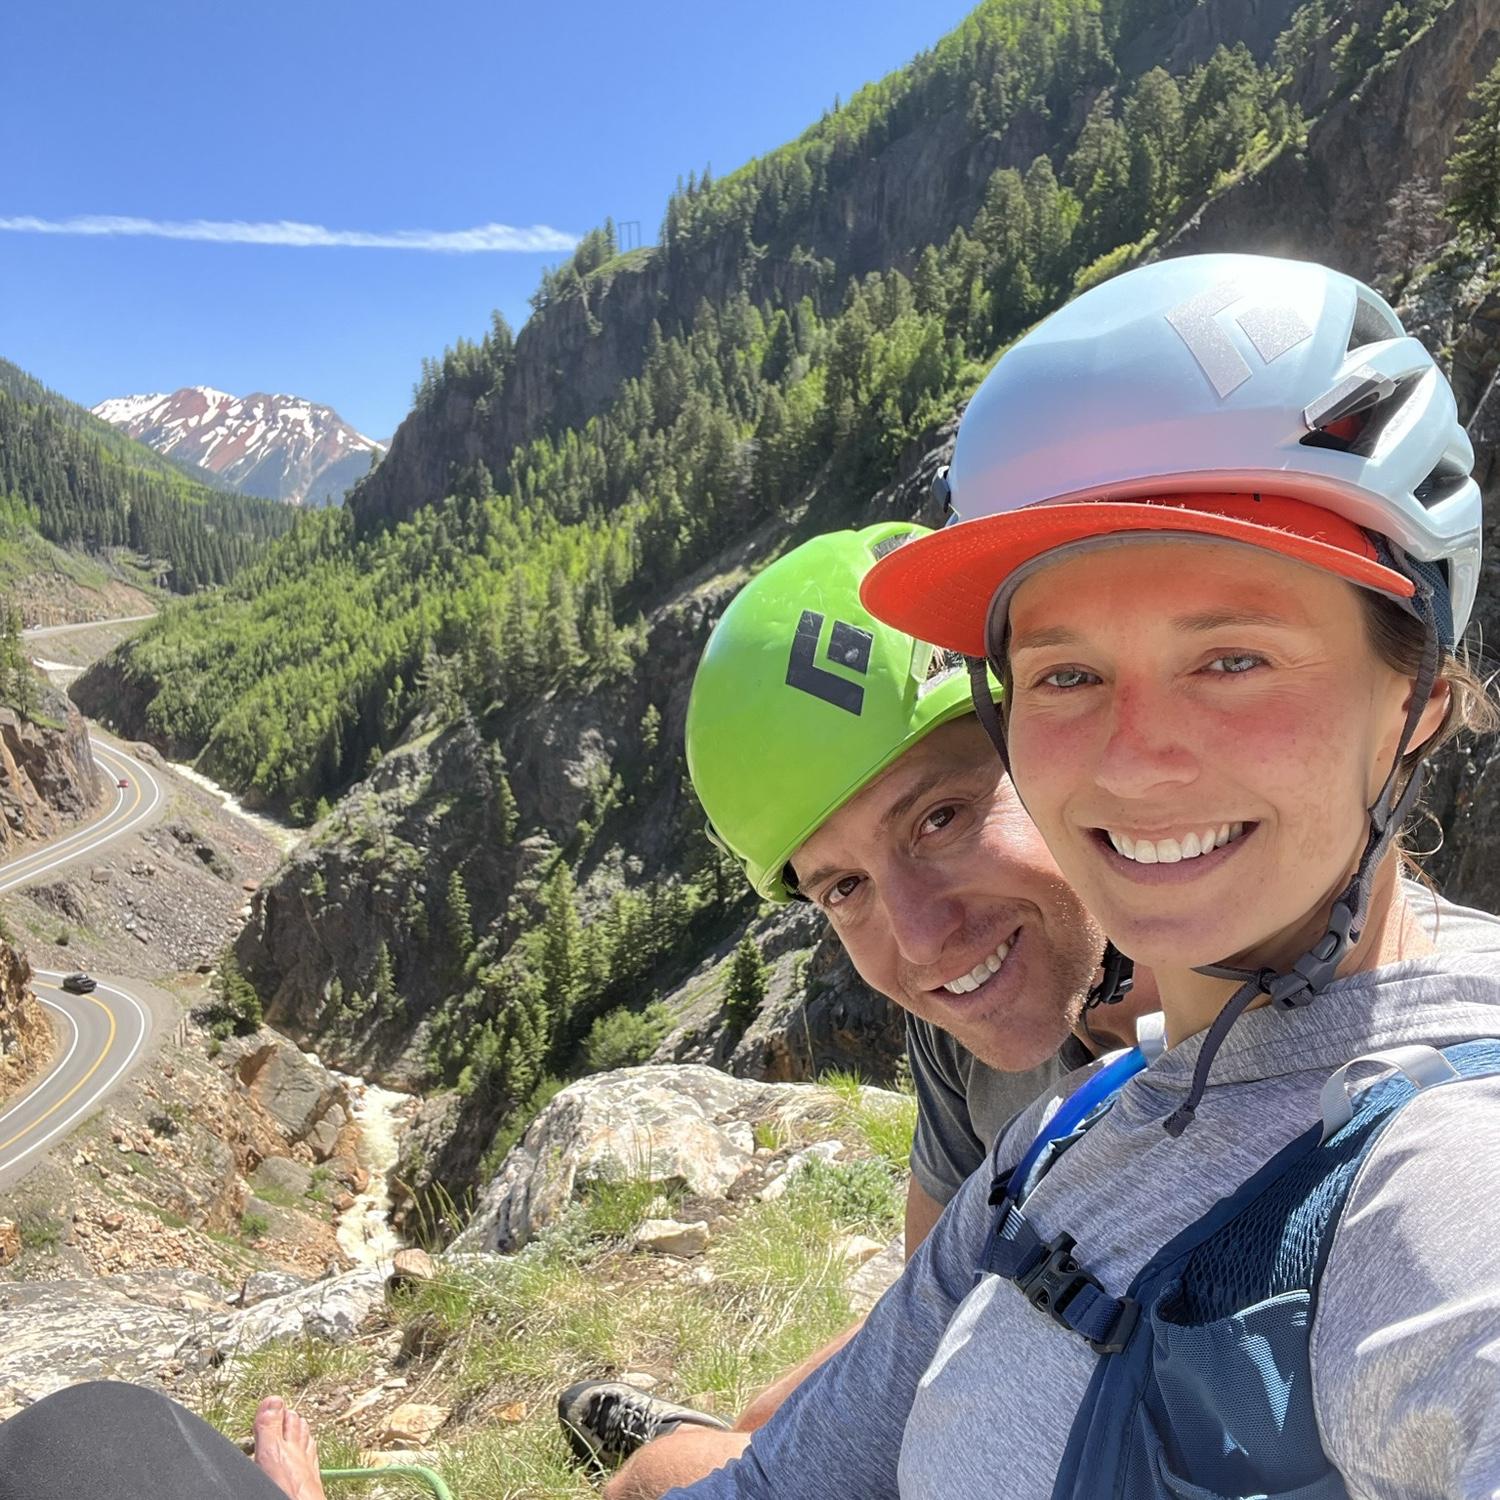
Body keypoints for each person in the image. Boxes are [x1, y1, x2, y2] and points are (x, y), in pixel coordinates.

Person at [642, 251, 1500, 1498]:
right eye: (1065, 674)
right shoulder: (1069, 1134)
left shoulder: (1441, 1174)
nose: (1135, 763)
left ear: (1415, 697)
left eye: (1233, 658)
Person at [559, 522, 1163, 1488]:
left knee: (660, 1474)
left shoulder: (1205, 1018)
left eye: (942, 817)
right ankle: (726, 1430)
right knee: (762, 1413)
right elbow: (936, 1303)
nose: (925, 943)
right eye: (843, 888)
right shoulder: (962, 1025)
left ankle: (686, 1444)